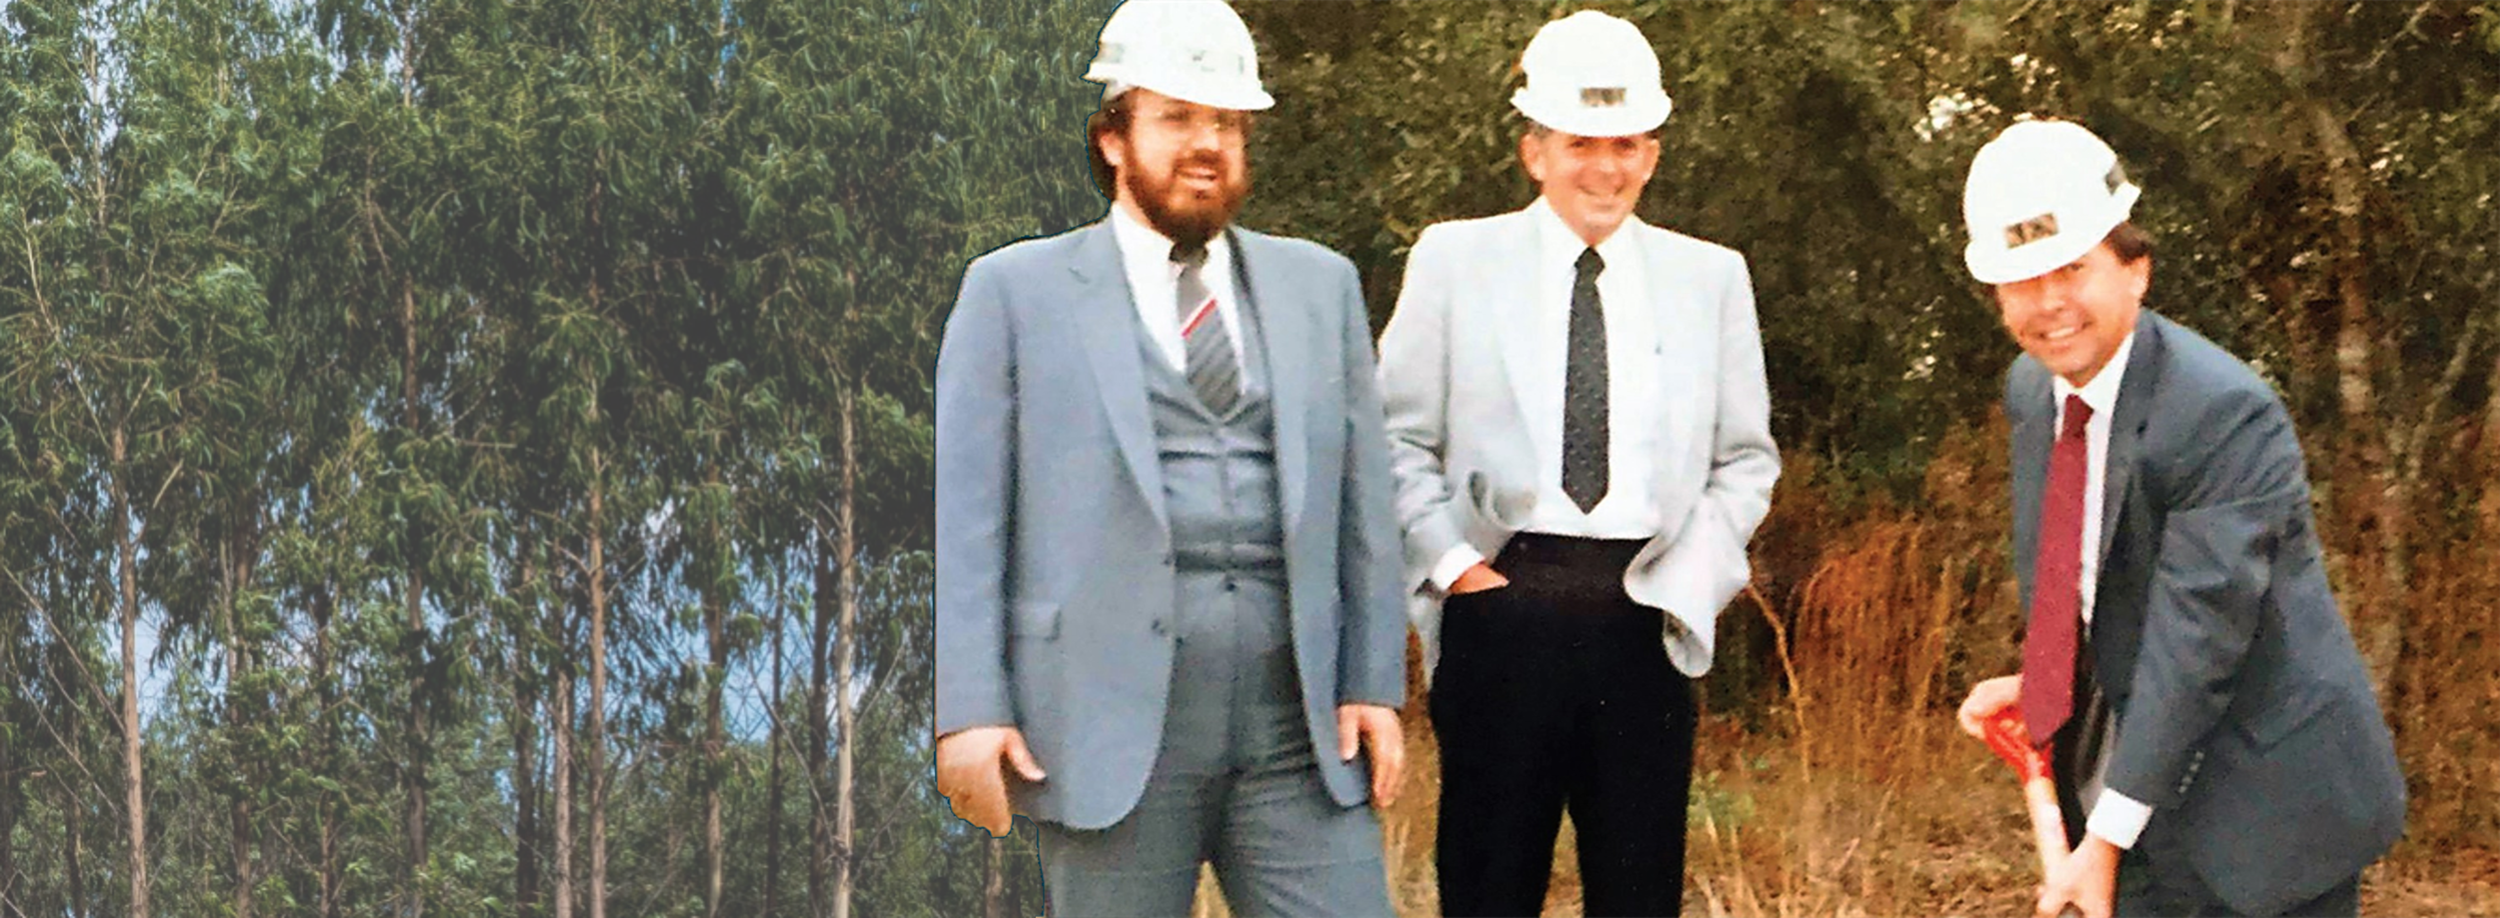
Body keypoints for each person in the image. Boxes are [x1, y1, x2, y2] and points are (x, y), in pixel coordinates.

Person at [931, 1, 1408, 915]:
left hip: (1298, 731)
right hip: (1106, 726)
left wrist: (1372, 683)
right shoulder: (1014, 292)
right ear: (1112, 137)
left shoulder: (1322, 287)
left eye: (1225, 121)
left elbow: (1365, 508)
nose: (1205, 144)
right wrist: (970, 710)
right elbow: (971, 522)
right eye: (1177, 117)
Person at [1374, 10, 1779, 915]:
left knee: (1639, 894)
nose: (1605, 168)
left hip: (1644, 621)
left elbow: (1745, 461)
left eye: (1626, 144)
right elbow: (1394, 438)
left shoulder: (1711, 278)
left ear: (1653, 155)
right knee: (1487, 889)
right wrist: (1456, 568)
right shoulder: (1455, 259)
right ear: (1535, 152)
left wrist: (1686, 585)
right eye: (1581, 144)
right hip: (1501, 609)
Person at [1950, 119, 2406, 918]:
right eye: (2021, 281)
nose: (2050, 303)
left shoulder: (2221, 413)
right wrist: (2050, 681)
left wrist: (2104, 844)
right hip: (2133, 791)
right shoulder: (2032, 391)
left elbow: (2198, 637)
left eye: (2073, 268)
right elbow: (2099, 580)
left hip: (2267, 819)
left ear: (2137, 270)